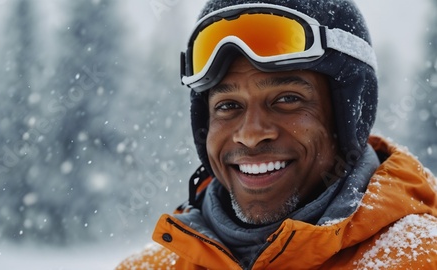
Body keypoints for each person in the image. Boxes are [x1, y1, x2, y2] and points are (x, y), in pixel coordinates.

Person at [117, 0, 437, 269]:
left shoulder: (421, 257)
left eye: (287, 99)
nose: (251, 134)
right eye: (228, 105)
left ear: (347, 118)